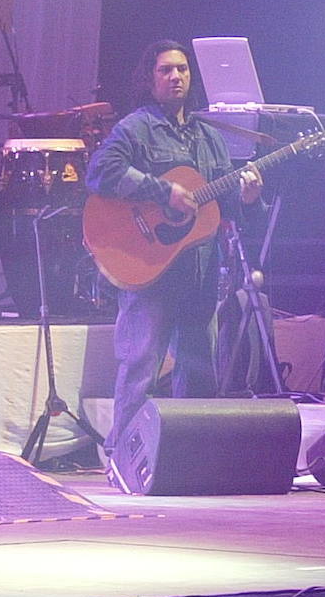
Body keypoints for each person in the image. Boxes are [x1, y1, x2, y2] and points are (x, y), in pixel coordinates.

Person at [86, 40, 263, 464]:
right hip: (148, 264)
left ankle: (189, 455)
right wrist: (163, 191)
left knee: (198, 363)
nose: (176, 77)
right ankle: (122, 456)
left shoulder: (209, 136)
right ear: (150, 79)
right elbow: (101, 172)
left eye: (182, 70)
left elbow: (223, 201)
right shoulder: (135, 128)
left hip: (200, 267)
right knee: (141, 363)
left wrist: (249, 195)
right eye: (165, 70)